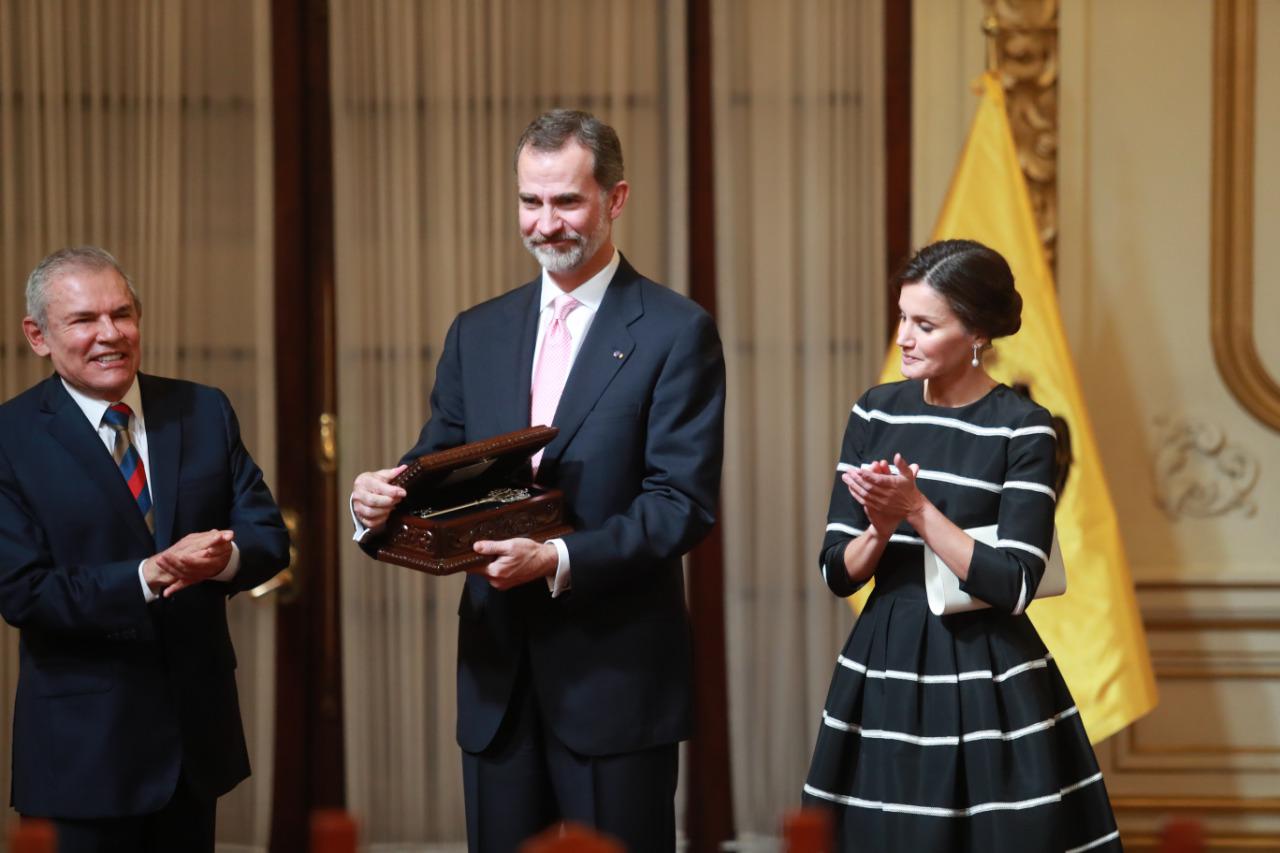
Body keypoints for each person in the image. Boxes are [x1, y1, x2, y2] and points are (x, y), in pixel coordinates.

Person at [349, 109, 725, 851]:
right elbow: (441, 468)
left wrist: (557, 558)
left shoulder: (675, 332)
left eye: (567, 201)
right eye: (531, 201)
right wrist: (380, 504)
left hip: (616, 686)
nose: (546, 223)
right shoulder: (476, 330)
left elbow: (681, 505)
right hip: (498, 686)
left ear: (616, 200)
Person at [802, 239, 1121, 851]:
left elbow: (1016, 583)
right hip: (885, 659)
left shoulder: (1023, 426)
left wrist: (919, 510)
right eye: (902, 317)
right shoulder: (875, 412)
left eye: (925, 324)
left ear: (976, 332)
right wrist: (881, 526)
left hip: (987, 671)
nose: (904, 337)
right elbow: (836, 574)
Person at [0, 246, 291, 853]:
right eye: (84, 321)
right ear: (38, 336)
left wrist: (222, 561)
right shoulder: (12, 438)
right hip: (82, 751)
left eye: (123, 314)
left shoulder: (202, 409)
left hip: (194, 741)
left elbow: (266, 537)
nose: (111, 334)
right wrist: (149, 575)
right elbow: (24, 591)